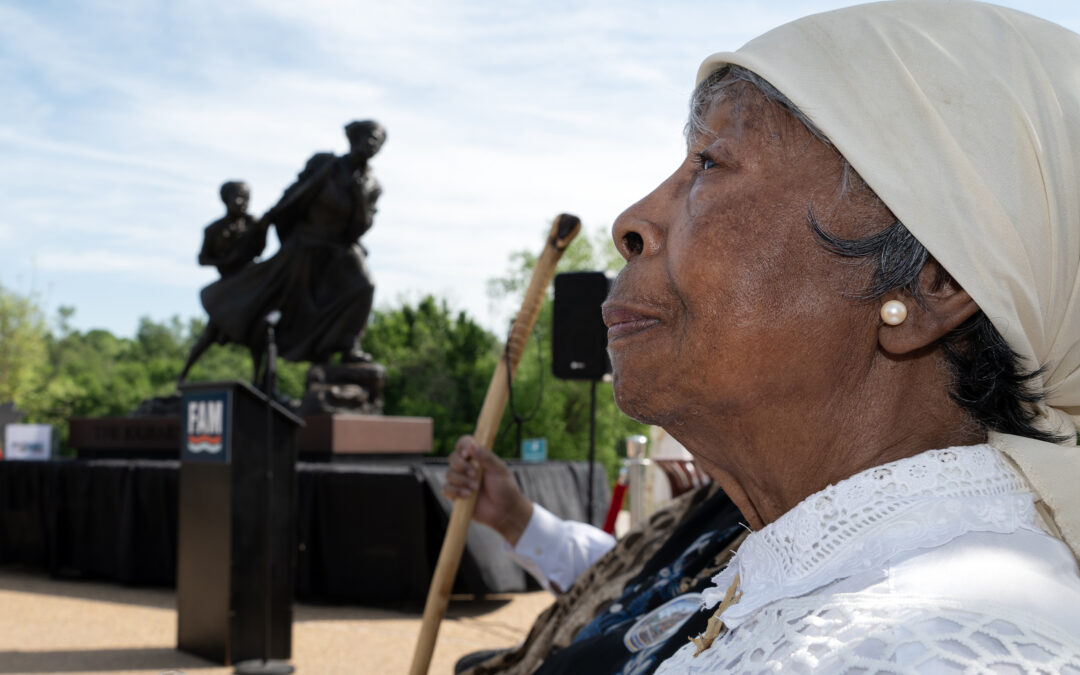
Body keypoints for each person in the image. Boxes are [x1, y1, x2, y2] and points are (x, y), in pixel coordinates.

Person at [445, 2, 1080, 672]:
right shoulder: (797, 580)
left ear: (932, 282)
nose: (631, 222)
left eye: (710, 163)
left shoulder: (940, 648)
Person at [192, 121, 386, 384]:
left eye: (378, 141)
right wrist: (271, 217)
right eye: (370, 137)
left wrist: (360, 197)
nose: (373, 144)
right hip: (306, 243)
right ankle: (274, 373)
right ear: (355, 138)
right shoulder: (325, 164)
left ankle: (349, 345)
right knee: (282, 308)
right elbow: (296, 191)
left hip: (339, 248)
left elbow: (362, 227)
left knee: (365, 286)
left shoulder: (372, 186)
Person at [179, 180, 266, 383]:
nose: (243, 203)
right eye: (239, 197)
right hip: (228, 286)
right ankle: (182, 377)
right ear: (226, 200)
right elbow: (202, 259)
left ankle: (259, 382)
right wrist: (224, 261)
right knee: (210, 334)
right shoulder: (213, 230)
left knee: (258, 335)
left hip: (249, 284)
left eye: (247, 198)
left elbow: (260, 249)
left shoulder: (253, 223)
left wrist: (261, 229)